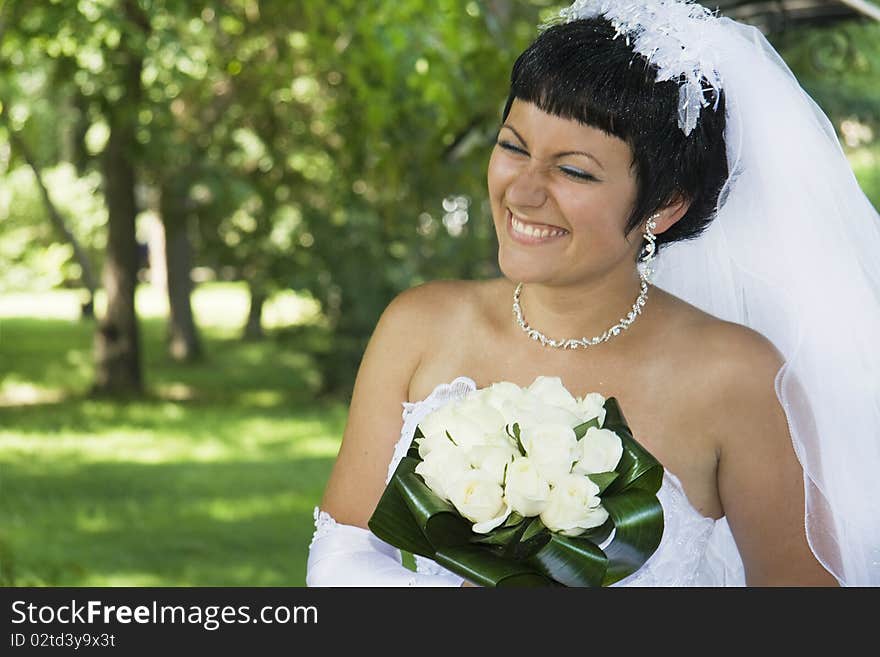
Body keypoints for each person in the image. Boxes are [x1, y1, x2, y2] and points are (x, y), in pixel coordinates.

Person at [306, 0, 880, 586]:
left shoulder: (736, 377)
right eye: (512, 146)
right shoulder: (419, 327)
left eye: (574, 171)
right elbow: (343, 549)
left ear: (664, 205)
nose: (523, 192)